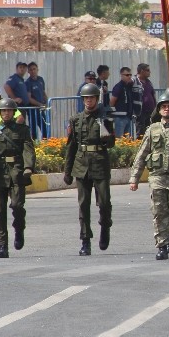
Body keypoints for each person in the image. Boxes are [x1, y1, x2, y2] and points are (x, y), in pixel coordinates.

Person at [130, 92, 169, 260]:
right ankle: (162, 246)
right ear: (159, 110)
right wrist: (134, 178)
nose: (166, 109)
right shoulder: (152, 130)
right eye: (163, 107)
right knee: (159, 211)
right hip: (157, 176)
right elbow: (142, 153)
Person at [64, 83, 116, 255]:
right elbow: (71, 147)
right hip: (81, 165)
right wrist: (67, 172)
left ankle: (105, 227)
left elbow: (111, 143)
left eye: (91, 98)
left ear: (96, 99)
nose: (88, 101)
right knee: (83, 205)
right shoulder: (76, 120)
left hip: (100, 162)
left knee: (104, 203)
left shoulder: (105, 116)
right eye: (86, 98)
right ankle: (85, 240)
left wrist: (105, 128)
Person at [0, 98, 35, 258]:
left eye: (9, 110)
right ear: (0, 113)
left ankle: (19, 228)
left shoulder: (22, 130)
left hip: (17, 172)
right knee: (0, 211)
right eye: (4, 111)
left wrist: (28, 167)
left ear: (13, 112)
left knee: (17, 206)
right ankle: (3, 246)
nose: (6, 113)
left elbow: (28, 150)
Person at [109, 66, 142, 138]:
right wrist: (112, 115)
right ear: (121, 75)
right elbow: (112, 101)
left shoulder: (129, 86)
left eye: (130, 75)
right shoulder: (118, 87)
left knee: (127, 140)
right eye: (127, 75)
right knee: (119, 139)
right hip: (119, 117)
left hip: (128, 117)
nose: (129, 76)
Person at [25, 61, 49, 139]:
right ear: (28, 71)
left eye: (34, 69)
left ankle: (46, 146)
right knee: (34, 130)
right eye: (31, 70)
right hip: (32, 109)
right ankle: (35, 146)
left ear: (37, 69)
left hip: (41, 109)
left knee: (45, 128)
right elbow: (29, 98)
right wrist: (39, 104)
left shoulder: (40, 79)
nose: (33, 71)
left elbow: (43, 92)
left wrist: (47, 102)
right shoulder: (28, 82)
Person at [135, 63, 156, 137]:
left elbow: (153, 94)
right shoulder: (134, 81)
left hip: (150, 111)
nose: (149, 72)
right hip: (140, 112)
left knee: (150, 131)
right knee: (140, 132)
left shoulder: (148, 82)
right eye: (147, 70)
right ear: (141, 71)